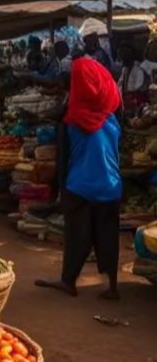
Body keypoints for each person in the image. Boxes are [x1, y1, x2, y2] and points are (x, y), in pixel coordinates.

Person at [36, 57, 122, 300]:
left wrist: (59, 192)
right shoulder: (111, 118)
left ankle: (68, 281)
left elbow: (63, 161)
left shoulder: (72, 122)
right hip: (111, 186)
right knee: (108, 235)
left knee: (77, 235)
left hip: (80, 186)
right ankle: (113, 286)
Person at [117, 45, 150, 115]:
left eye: (123, 58)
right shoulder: (125, 70)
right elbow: (119, 86)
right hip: (126, 104)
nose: (121, 61)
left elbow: (139, 91)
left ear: (130, 57)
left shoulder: (139, 69)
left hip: (138, 105)